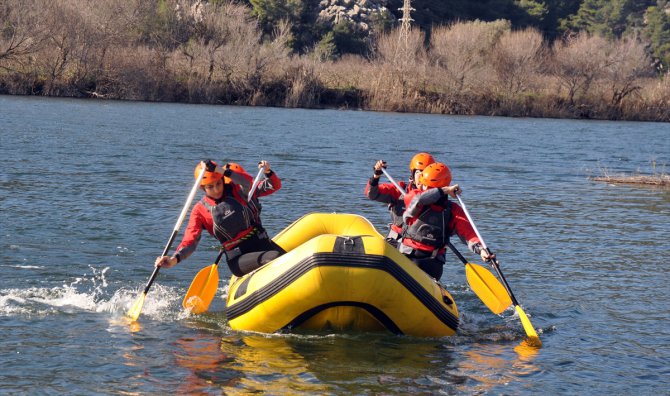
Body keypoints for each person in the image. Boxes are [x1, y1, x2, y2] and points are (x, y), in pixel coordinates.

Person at [155, 159, 284, 277]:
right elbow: (190, 241)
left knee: (287, 258)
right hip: (239, 257)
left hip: (262, 243)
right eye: (210, 187)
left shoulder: (236, 191)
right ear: (202, 187)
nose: (216, 190)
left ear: (222, 180)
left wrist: (220, 170)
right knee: (275, 257)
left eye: (218, 184)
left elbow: (247, 182)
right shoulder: (199, 210)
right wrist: (174, 259)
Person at [399, 162, 493, 280]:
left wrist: (482, 250)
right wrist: (444, 191)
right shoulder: (414, 196)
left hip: (432, 264)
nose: (421, 187)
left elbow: (468, 233)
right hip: (408, 257)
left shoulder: (453, 210)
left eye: (425, 185)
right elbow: (420, 199)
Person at [365, 153, 439, 247]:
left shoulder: (438, 198)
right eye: (418, 172)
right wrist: (376, 176)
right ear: (412, 174)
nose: (421, 177)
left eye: (424, 173)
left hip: (420, 248)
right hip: (396, 242)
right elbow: (371, 194)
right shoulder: (399, 190)